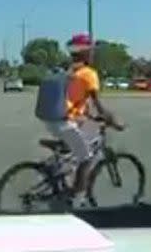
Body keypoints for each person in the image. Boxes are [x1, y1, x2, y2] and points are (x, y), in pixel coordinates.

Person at [44, 33, 124, 203]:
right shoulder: (88, 74)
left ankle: (61, 181)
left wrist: (93, 117)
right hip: (65, 123)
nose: (93, 53)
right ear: (86, 52)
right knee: (86, 158)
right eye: (92, 50)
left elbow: (77, 103)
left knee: (78, 148)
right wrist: (113, 121)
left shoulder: (70, 71)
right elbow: (98, 104)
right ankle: (76, 199)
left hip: (53, 119)